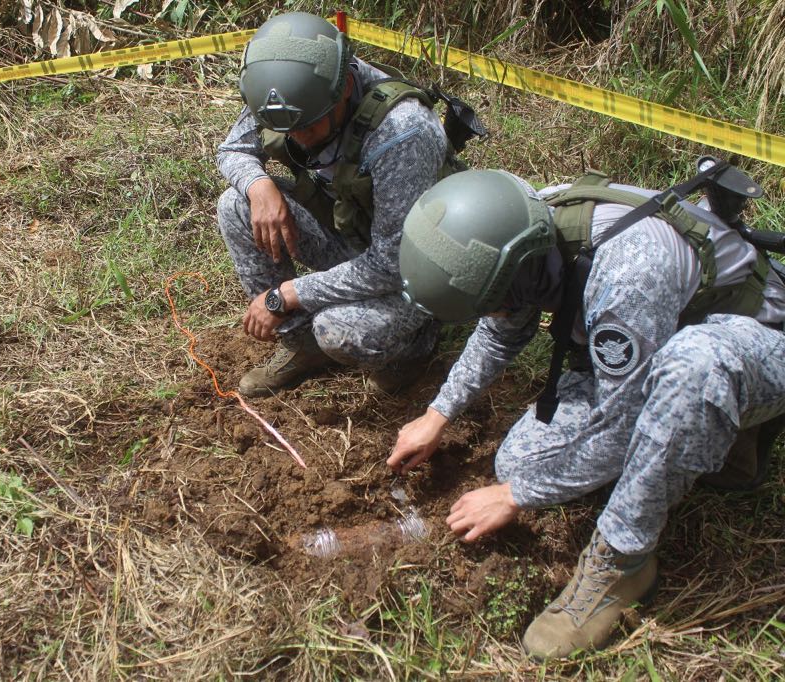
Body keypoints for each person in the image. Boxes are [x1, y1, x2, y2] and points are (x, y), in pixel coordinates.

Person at [385, 167, 785, 658]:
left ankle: (624, 562)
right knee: (521, 462)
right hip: (655, 331)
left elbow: (625, 422)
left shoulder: (627, 271)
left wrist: (516, 496)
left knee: (691, 370)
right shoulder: (520, 229)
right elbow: (500, 327)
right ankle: (704, 440)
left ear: (516, 268)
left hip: (756, 340)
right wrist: (437, 415)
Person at [216, 12, 470, 397]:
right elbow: (233, 149)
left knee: (338, 331)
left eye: (310, 126)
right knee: (234, 204)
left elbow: (392, 263)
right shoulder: (285, 92)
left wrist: (286, 295)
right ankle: (302, 347)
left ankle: (418, 343)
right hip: (351, 234)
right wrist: (259, 186)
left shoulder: (402, 131)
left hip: (419, 268)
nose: (298, 138)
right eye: (288, 129)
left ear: (345, 87)